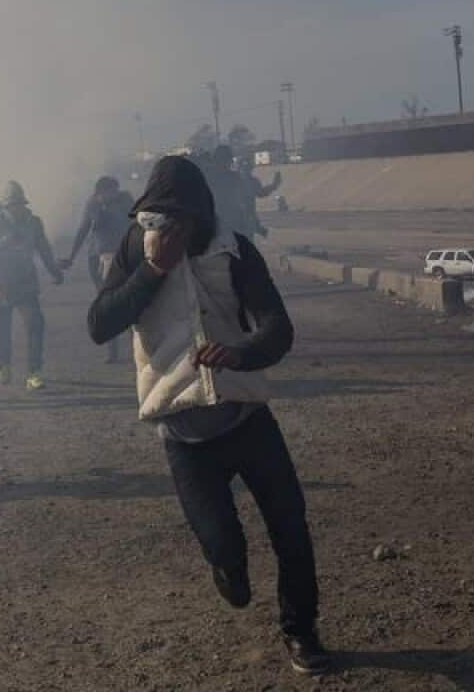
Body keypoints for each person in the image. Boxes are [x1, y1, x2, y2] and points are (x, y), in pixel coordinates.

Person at [87, 155, 329, 676]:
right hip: (184, 431)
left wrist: (241, 352)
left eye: (184, 219)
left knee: (291, 526)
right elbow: (100, 323)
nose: (173, 229)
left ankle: (301, 631)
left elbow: (277, 328)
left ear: (203, 214)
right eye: (160, 218)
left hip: (245, 414)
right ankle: (228, 565)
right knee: (225, 551)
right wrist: (153, 269)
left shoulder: (234, 250)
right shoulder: (136, 248)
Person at [0, 181, 64, 391]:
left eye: (19, 204)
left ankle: (34, 373)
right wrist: (4, 242)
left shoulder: (33, 222)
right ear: (4, 206)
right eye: (12, 205)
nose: (17, 209)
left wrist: (54, 270)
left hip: (25, 282)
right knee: (2, 330)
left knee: (35, 324)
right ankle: (3, 364)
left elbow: (43, 248)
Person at [61, 175, 135, 362]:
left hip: (121, 256)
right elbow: (83, 229)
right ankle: (112, 351)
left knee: (129, 301)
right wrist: (71, 256)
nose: (113, 194)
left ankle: (136, 347)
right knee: (106, 303)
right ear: (100, 192)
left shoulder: (126, 201)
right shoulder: (93, 204)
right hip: (98, 257)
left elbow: (135, 225)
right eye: (109, 191)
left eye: (114, 190)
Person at [237, 157, 281, 239]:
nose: (246, 171)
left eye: (247, 168)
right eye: (245, 168)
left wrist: (273, 185)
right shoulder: (235, 180)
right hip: (239, 218)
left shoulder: (252, 181)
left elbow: (261, 193)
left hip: (246, 218)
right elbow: (261, 193)